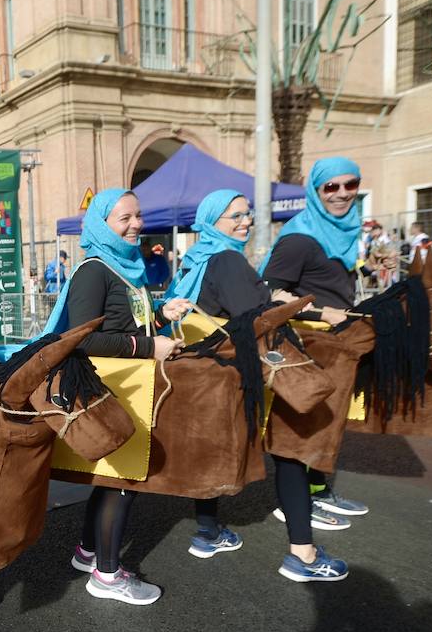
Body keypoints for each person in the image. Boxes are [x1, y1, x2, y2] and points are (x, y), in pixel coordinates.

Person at [168, 188, 347, 580]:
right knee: (292, 451)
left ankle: (208, 532)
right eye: (235, 216)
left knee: (216, 452)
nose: (245, 221)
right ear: (212, 221)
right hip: (246, 375)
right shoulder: (228, 259)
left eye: (247, 214)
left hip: (209, 379)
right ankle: (303, 555)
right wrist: (304, 308)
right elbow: (258, 318)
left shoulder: (196, 259)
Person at [61, 189, 191, 604]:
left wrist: (158, 317)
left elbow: (126, 323)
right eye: (125, 219)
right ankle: (108, 575)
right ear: (102, 225)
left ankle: (88, 550)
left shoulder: (127, 268)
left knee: (113, 475)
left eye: (138, 216)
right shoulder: (93, 270)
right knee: (124, 479)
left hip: (131, 384)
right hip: (114, 388)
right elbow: (81, 338)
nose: (136, 224)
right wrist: (149, 348)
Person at [262, 158, 391, 569]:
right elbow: (270, 293)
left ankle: (316, 495)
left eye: (349, 184)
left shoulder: (343, 231)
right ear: (316, 192)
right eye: (329, 187)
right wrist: (319, 313)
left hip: (337, 348)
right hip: (309, 349)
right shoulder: (299, 237)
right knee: (297, 439)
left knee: (324, 429)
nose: (341, 193)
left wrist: (371, 270)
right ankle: (300, 537)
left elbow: (330, 279)